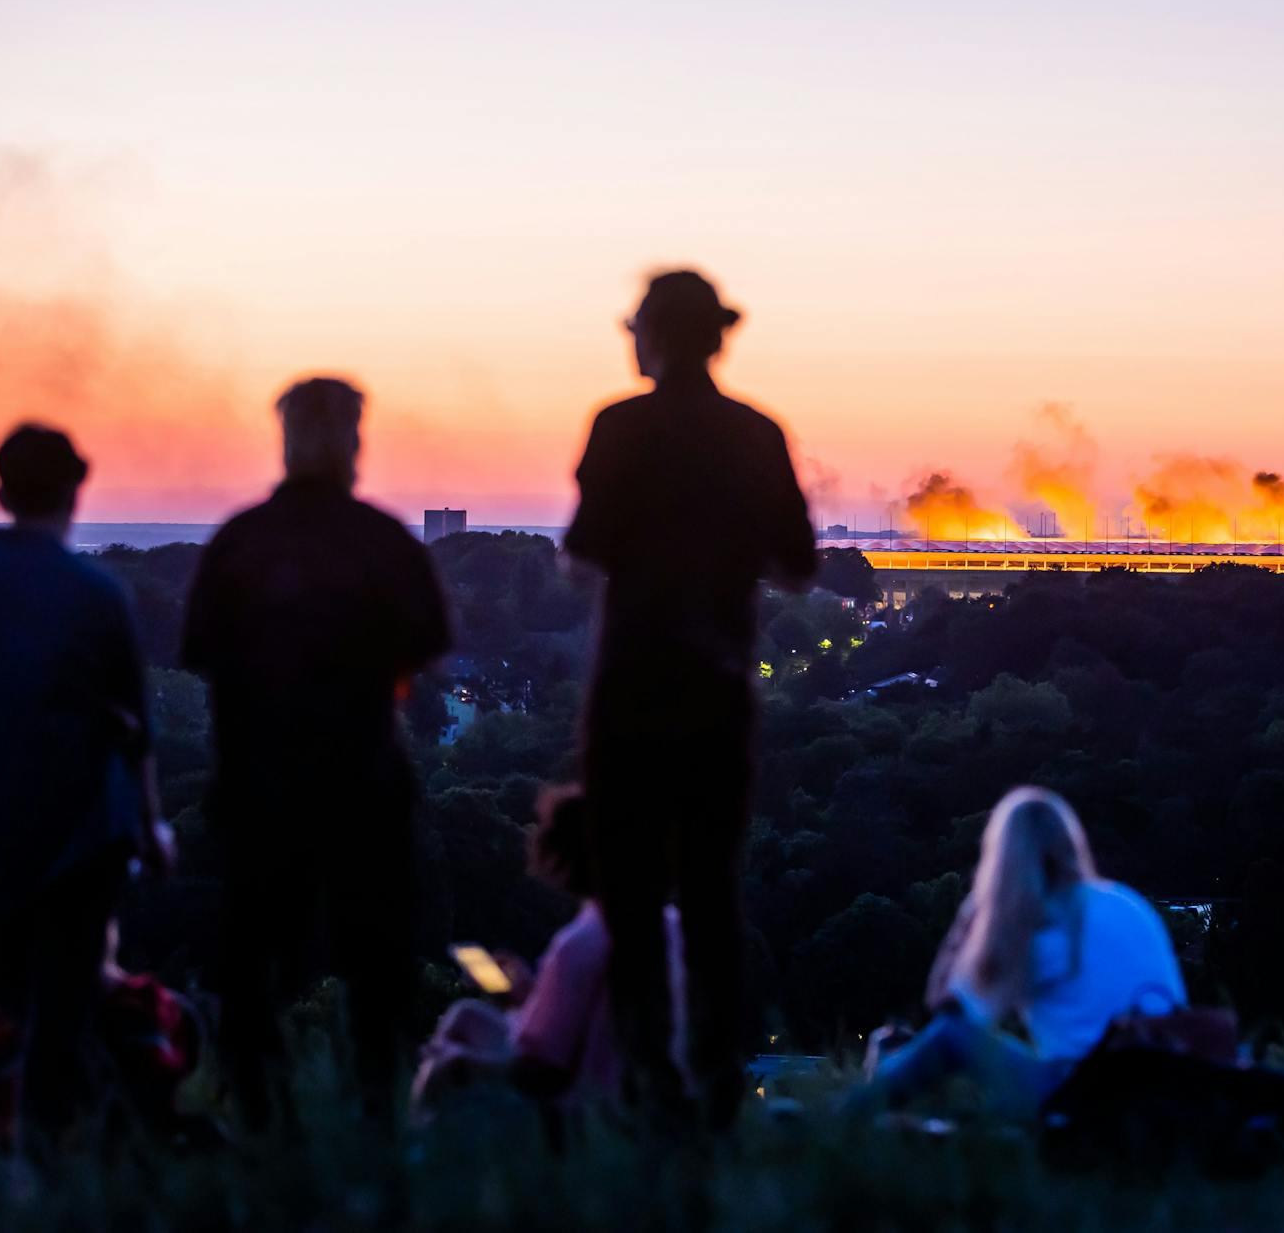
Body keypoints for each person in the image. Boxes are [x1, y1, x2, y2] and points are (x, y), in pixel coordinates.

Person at [564, 270, 817, 1126]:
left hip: (630, 688)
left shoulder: (619, 427)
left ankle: (646, 1082)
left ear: (658, 337)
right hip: (718, 692)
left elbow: (584, 549)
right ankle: (714, 1087)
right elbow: (798, 564)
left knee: (629, 895)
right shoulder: (756, 434)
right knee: (713, 892)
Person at [181, 376, 451, 1128]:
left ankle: (259, 1123)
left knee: (254, 968)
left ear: (286, 440)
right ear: (354, 442)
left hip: (258, 784)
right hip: (362, 781)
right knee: (377, 966)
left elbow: (201, 650)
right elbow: (426, 644)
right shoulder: (383, 542)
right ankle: (377, 1119)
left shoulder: (242, 542)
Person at [0, 423, 173, 1142]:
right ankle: (50, 1158)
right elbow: (136, 726)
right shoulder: (94, 592)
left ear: (2, 491)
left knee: (9, 1000)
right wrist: (153, 826)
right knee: (67, 1001)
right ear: (76, 488)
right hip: (81, 829)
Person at [850, 787, 1187, 1122]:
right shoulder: (1126, 901)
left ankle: (847, 1116)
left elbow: (950, 1010)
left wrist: (971, 917)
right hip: (1174, 1086)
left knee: (951, 1037)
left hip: (1089, 1098)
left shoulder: (1034, 924)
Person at [411, 788, 687, 1119]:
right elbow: (589, 1023)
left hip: (581, 1109)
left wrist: (458, 1065)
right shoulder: (670, 926)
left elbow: (542, 1073)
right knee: (467, 1014)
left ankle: (412, 1148)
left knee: (445, 1058)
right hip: (639, 1094)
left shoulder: (581, 943)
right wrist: (528, 995)